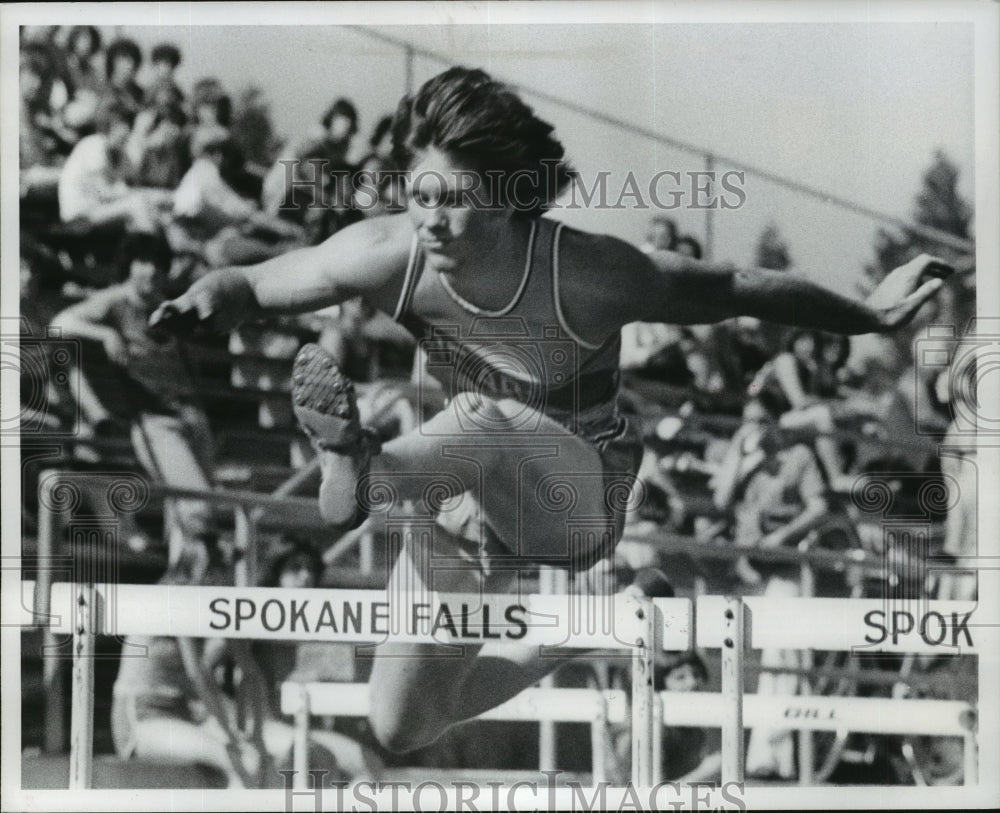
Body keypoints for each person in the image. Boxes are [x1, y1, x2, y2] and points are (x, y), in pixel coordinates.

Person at [152, 66, 952, 755]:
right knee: (401, 719)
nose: (431, 218)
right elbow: (260, 283)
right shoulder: (390, 253)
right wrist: (206, 297)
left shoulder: (589, 275)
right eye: (420, 194)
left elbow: (732, 287)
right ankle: (562, 635)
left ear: (507, 202)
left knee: (483, 420)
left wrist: (868, 314)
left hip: (577, 489)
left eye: (456, 200)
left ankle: (363, 469)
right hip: (462, 495)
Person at [50, 233, 215, 561]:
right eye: (142, 262)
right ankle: (196, 574)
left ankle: (183, 580)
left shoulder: (163, 304)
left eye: (156, 263)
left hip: (191, 413)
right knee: (198, 505)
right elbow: (60, 324)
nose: (150, 270)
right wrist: (106, 333)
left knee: (184, 512)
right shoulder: (115, 300)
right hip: (154, 421)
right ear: (129, 266)